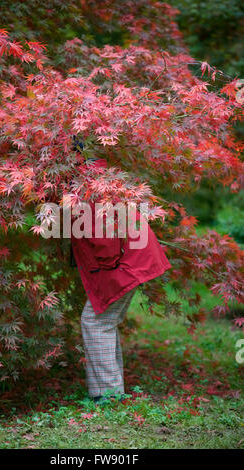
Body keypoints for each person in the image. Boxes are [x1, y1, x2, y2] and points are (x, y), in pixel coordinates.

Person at [71, 156, 171, 403]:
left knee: (96, 322)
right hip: (133, 260)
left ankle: (108, 394)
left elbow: (106, 242)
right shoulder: (97, 185)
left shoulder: (89, 194)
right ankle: (107, 391)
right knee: (102, 321)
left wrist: (104, 274)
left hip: (126, 263)